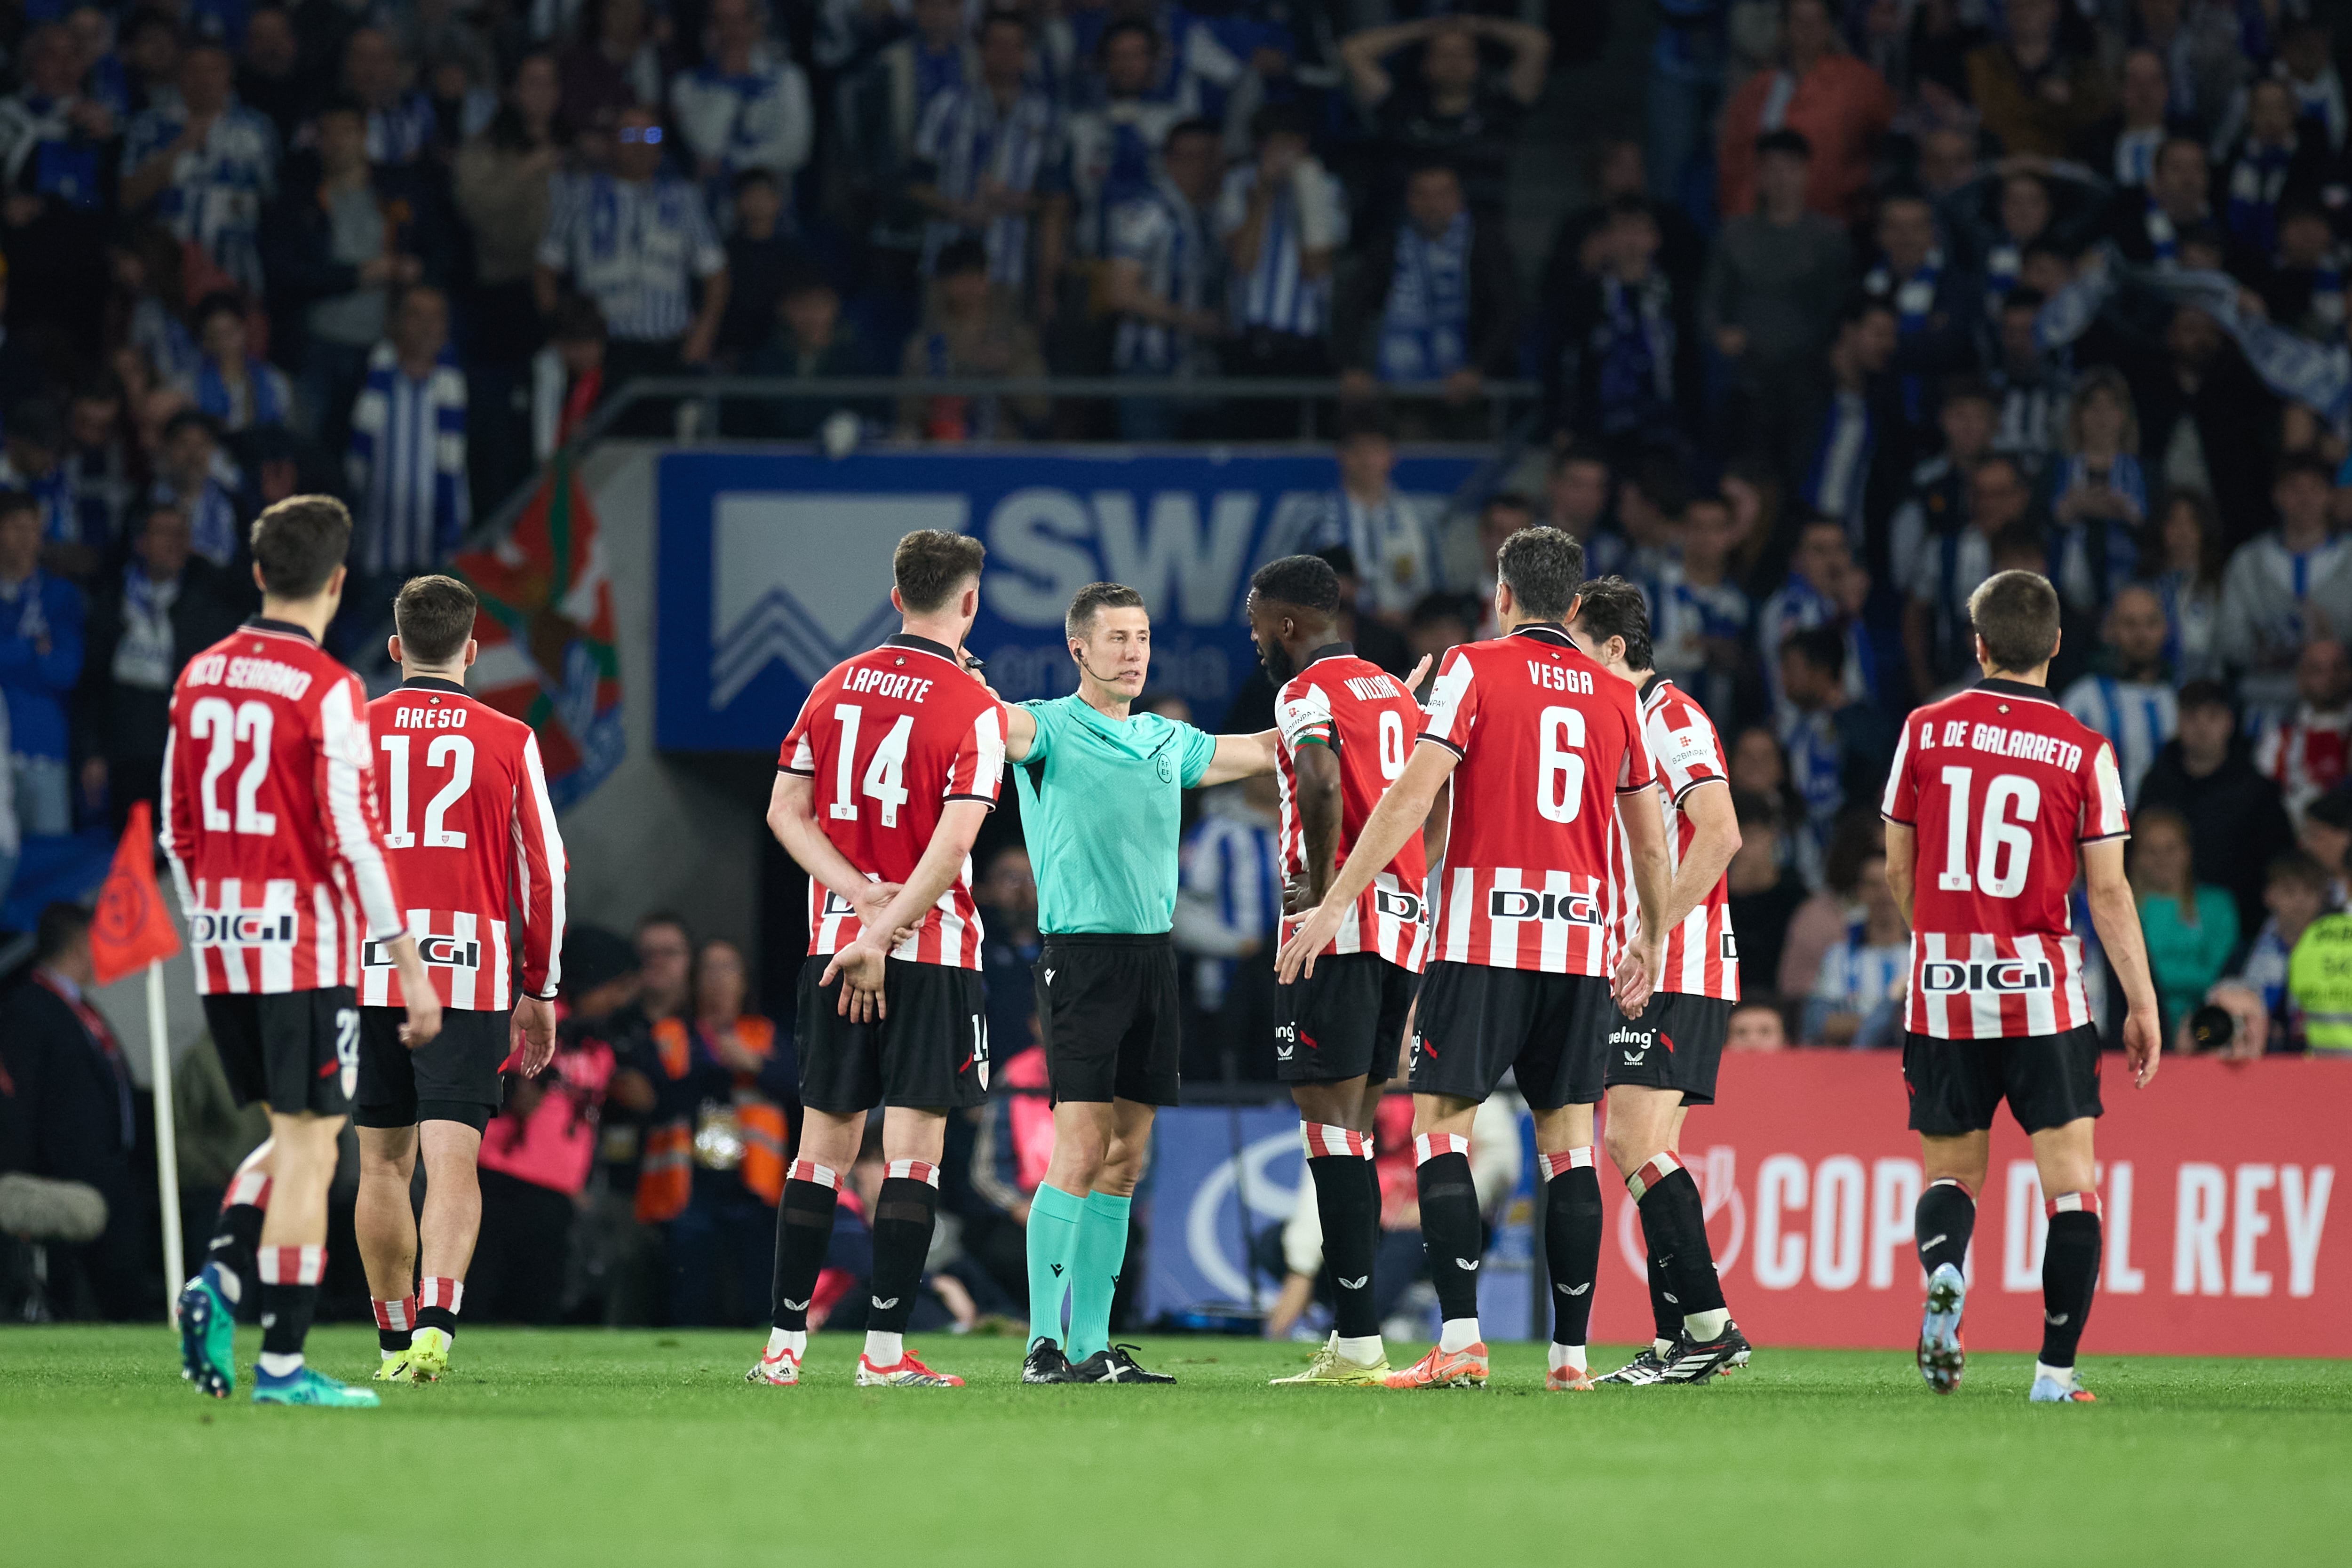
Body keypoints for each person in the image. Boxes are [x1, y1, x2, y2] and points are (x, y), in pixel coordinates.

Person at [1278, 526, 1692, 1390]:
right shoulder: (1619, 697)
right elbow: (1651, 845)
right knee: (1568, 1146)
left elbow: (1410, 797)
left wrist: (1337, 901)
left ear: (1502, 595)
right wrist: (1649, 938)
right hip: (1581, 945)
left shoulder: (1471, 666)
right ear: (1576, 605)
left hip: (1482, 940)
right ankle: (1570, 1358)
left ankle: (1461, 1338)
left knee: (1442, 1132)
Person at [167, 494, 441, 1408]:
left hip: (219, 939)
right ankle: (281, 1363)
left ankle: (219, 1277)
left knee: (301, 1130)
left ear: (255, 574)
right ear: (336, 580)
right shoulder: (328, 685)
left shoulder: (199, 674)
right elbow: (353, 836)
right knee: (312, 1147)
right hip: (304, 945)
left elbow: (177, 825)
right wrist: (406, 963)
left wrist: (216, 910)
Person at [1880, 568, 2161, 1404]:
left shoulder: (1925, 729)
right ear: (2058, 646)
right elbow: (2107, 890)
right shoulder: (2084, 749)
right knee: (2072, 1183)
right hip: (2041, 990)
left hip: (1943, 988)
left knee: (1952, 1175)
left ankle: (1945, 1273)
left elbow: (1899, 863)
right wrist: (2142, 1001)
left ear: (1979, 643)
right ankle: (2053, 1374)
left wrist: (1936, 939)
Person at [998, 581, 1279, 1385]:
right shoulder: (1047, 727)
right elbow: (992, 723)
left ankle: (1090, 1345)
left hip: (1155, 962)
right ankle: (1040, 1345)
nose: (1134, 651)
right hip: (1082, 958)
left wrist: (1380, 702)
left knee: (1127, 1158)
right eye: (1117, 638)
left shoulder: (1169, 740)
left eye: (1143, 637)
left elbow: (1263, 747)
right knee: (1081, 1147)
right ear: (1079, 648)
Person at [755, 530, 1008, 1390]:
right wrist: (889, 923)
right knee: (911, 1152)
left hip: (836, 943)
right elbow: (953, 843)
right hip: (930, 949)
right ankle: (884, 1354)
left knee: (820, 1147)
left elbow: (786, 813)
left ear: (897, 594)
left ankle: (783, 1350)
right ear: (968, 602)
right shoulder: (972, 702)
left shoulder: (834, 684)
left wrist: (857, 906)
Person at [353, 575, 565, 1382]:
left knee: (379, 1166)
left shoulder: (351, 732)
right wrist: (539, 988)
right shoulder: (509, 737)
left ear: (396, 647)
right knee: (453, 1163)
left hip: (372, 968)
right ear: (473, 650)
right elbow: (544, 873)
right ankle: (437, 1327)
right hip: (471, 972)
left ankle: (390, 1340)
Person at [1244, 554, 1435, 1387]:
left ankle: (1356, 1339)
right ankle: (1356, 1336)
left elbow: (1320, 778)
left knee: (1327, 1123)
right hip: (1402, 924)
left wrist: (1321, 899)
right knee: (1354, 1122)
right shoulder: (1392, 689)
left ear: (1287, 623)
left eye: (1257, 622)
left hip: (1338, 926)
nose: (1254, 640)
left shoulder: (1303, 691)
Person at [1568, 578, 1752, 1387]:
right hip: (1650, 958)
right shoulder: (1613, 720)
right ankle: (1677, 1341)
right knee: (1649, 1150)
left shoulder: (1669, 716)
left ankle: (1709, 1327)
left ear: (1615, 650)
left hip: (1679, 957)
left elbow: (1721, 833)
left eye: (1574, 647)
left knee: (1631, 1142)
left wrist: (1651, 931)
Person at [0, 903, 144, 1319]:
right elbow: (20, 1100)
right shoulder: (28, 1008)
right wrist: (27, 1175)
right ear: (81, 944)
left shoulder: (80, 1007)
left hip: (111, 1174)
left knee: (123, 1290)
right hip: (65, 1179)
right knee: (72, 1294)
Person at [534, 103, 730, 388]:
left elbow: (716, 272)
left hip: (668, 347)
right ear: (611, 142)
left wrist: (704, 333)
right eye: (630, 135)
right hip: (602, 348)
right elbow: (545, 268)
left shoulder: (685, 198)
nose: (640, 144)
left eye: (650, 135)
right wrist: (562, 333)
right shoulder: (579, 196)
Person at [75, 504, 240, 835]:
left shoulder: (208, 612)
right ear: (141, 543)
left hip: (185, 760)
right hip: (125, 757)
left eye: (181, 534)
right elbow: (91, 685)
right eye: (164, 532)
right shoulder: (111, 603)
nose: (175, 542)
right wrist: (91, 752)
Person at [1703, 128, 1853, 466]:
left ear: (1806, 172)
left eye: (1789, 168)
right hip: (1746, 376)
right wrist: (1719, 332)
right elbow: (1711, 301)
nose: (1780, 178)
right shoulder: (1735, 234)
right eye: (1770, 168)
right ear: (1758, 174)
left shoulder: (1829, 239)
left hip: (1806, 377)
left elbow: (1839, 308)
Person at [2137, 678, 2300, 936]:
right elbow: (2134, 854)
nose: (2202, 727)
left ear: (2229, 722)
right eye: (2192, 717)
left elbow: (2276, 864)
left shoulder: (2258, 791)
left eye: (2212, 717)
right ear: (2179, 722)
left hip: (2240, 930)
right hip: (2157, 924)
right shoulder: (2157, 783)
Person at [1715, 0, 1894, 225]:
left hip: (1830, 220)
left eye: (1816, 22)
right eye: (1800, 22)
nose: (1807, 32)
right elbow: (1734, 161)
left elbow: (1885, 139)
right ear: (1784, 28)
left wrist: (1856, 188)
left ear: (1829, 27)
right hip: (1759, 221)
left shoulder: (1858, 83)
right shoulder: (1757, 89)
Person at [347, 287, 469, 612]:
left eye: (436, 318)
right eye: (417, 316)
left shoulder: (460, 387)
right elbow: (351, 465)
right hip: (375, 551)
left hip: (437, 551)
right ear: (398, 322)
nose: (428, 327)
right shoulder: (367, 379)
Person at [2217, 455, 2352, 717]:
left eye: (2315, 488)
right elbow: (2231, 642)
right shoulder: (2249, 561)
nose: (2305, 500)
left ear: (2330, 496)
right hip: (2264, 706)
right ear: (2277, 496)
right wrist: (2263, 649)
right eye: (2294, 489)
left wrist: (2333, 644)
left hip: (2340, 709)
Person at [0, 491, 85, 840]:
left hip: (45, 748)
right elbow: (45, 661)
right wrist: (33, 648)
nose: (26, 537)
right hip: (3, 751)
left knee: (50, 861)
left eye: (33, 528)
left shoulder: (61, 595)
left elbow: (67, 670)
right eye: (16, 527)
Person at [1302, 413, 1431, 625]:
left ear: (1391, 456)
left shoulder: (1416, 519)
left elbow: (1435, 584)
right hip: (1338, 634)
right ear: (1341, 455)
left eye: (1376, 451)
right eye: (1358, 451)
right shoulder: (1315, 517)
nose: (1367, 461)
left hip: (1405, 634)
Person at [2130, 804, 2239, 1041]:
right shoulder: (2124, 909)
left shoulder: (2217, 906)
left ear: (2187, 852)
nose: (2162, 859)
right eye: (2151, 850)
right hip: (2135, 1030)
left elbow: (2219, 978)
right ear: (2136, 857)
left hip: (2206, 1030)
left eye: (2171, 849)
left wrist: (2152, 979)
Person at [2060, 584, 2178, 799]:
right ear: (2109, 630)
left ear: (2166, 629)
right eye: (2130, 624)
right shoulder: (2083, 699)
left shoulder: (2178, 698)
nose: (2141, 635)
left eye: (2151, 623)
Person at [1803, 851, 1911, 1047]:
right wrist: (1885, 1019)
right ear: (1860, 891)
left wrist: (1859, 1021)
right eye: (1874, 885)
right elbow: (1820, 1023)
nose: (1884, 894)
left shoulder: (1925, 955)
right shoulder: (1838, 957)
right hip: (1856, 1067)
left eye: (1891, 883)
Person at [2252, 638, 2352, 822]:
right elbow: (2261, 804)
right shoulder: (2279, 741)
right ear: (2300, 678)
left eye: (2337, 668)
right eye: (2317, 670)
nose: (2330, 677)